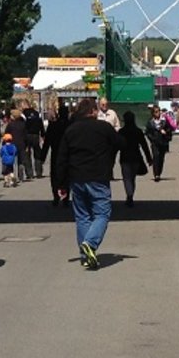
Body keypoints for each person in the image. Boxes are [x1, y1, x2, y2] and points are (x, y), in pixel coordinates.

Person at [53, 98, 122, 270]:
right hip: (98, 177)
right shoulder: (103, 128)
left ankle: (85, 256)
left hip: (76, 179)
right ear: (93, 111)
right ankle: (90, 244)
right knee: (102, 214)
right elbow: (121, 143)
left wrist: (61, 185)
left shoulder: (71, 131)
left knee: (82, 217)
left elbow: (61, 159)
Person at [116, 110, 153, 208]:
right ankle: (130, 195)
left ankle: (129, 195)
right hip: (136, 157)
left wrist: (111, 158)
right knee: (132, 178)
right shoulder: (138, 131)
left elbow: (116, 146)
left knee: (126, 178)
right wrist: (149, 158)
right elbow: (144, 145)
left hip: (124, 157)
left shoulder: (121, 132)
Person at [44, 105, 71, 207]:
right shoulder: (71, 125)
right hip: (68, 154)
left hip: (56, 153)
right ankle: (66, 197)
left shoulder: (53, 125)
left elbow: (47, 142)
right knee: (67, 175)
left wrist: (42, 156)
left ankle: (56, 196)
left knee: (55, 175)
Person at [145, 104, 174, 182]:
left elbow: (169, 130)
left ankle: (159, 172)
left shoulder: (164, 122)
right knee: (155, 157)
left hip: (163, 142)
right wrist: (152, 139)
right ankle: (156, 174)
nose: (158, 113)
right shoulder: (150, 122)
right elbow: (147, 132)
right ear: (153, 113)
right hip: (154, 143)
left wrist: (165, 132)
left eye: (158, 112)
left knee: (161, 158)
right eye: (156, 112)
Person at [5, 105, 31, 182]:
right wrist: (27, 145)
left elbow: (7, 134)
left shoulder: (10, 124)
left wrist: (5, 143)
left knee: (11, 161)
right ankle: (21, 176)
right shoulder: (23, 124)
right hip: (22, 144)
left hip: (12, 144)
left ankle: (12, 176)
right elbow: (26, 135)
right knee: (21, 161)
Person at [25, 105, 47, 179]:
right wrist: (43, 136)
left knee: (27, 155)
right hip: (36, 135)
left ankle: (29, 173)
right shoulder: (37, 116)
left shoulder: (25, 116)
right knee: (37, 153)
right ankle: (39, 172)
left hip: (27, 136)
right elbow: (42, 128)